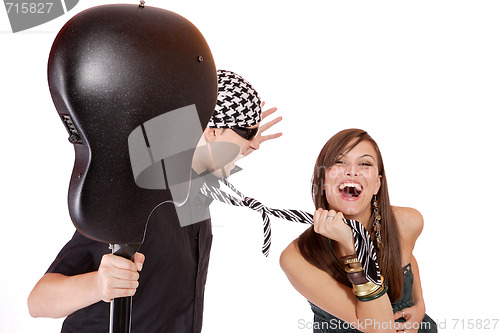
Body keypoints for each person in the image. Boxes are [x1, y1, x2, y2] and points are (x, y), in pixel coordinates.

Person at [28, 69, 282, 333]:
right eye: (248, 136)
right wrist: (98, 285)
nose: (254, 146)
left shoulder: (195, 195)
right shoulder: (137, 195)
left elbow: (204, 163)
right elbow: (38, 302)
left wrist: (241, 143)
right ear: (214, 131)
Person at [280, 128, 437, 333]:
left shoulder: (407, 222)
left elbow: (407, 258)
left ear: (377, 184)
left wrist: (420, 303)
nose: (352, 171)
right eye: (339, 161)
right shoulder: (297, 257)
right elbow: (379, 329)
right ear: (323, 182)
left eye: (364, 163)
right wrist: (353, 248)